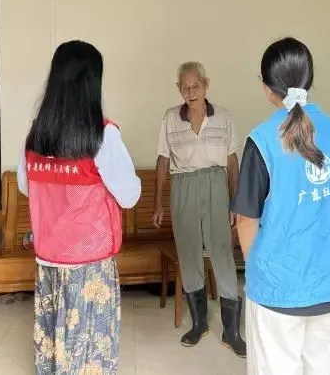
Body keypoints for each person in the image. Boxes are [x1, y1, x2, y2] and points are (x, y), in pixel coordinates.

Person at [232, 37, 330, 375]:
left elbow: (246, 221)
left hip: (277, 291)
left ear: (265, 87)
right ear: (309, 79)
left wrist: (262, 272)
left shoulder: (262, 139)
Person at [17, 40, 141, 374]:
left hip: (48, 260)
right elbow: (129, 195)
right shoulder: (102, 135)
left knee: (54, 341)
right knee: (89, 350)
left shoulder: (35, 134)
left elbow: (25, 186)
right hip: (90, 264)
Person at [152, 61, 246, 357]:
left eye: (196, 86)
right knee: (189, 253)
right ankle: (199, 324)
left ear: (206, 84)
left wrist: (236, 202)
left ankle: (232, 333)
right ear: (178, 88)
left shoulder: (224, 117)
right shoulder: (170, 118)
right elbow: (163, 160)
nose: (190, 92)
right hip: (183, 185)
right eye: (185, 87)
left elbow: (232, 162)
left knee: (222, 252)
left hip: (216, 184)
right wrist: (158, 202)